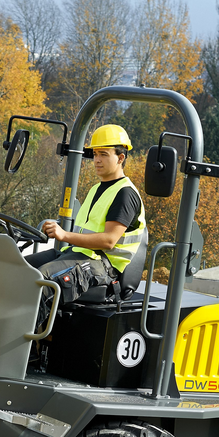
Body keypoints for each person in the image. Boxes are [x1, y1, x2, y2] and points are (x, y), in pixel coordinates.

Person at [25, 123, 146, 305]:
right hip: (77, 254)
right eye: (95, 154)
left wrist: (64, 235)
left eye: (104, 155)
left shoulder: (125, 193)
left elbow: (108, 240)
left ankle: (26, 332)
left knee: (43, 278)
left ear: (121, 158)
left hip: (104, 267)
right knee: (18, 268)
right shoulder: (96, 189)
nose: (97, 160)